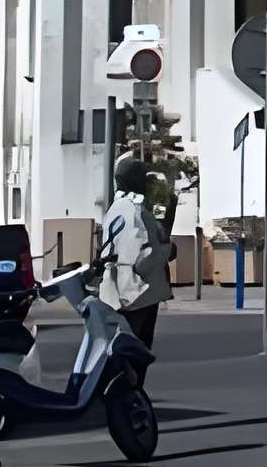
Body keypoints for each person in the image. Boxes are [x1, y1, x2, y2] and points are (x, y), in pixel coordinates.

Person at [100, 157, 173, 374]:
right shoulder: (134, 211)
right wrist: (167, 251)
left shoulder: (116, 207)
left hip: (118, 289)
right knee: (137, 350)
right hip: (139, 293)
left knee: (122, 346)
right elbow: (142, 254)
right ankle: (129, 397)